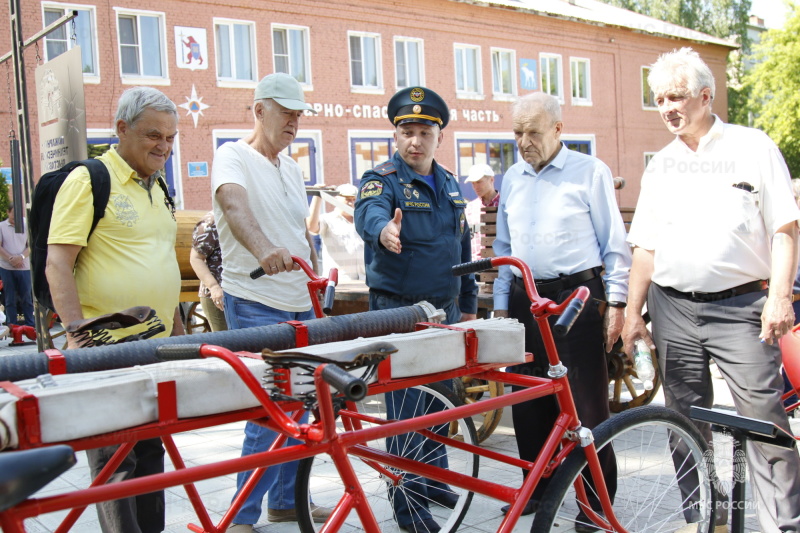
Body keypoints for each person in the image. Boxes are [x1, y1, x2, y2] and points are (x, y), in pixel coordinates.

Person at [621, 47, 800, 533]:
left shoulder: (752, 146)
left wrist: (780, 296)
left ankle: (784, 522)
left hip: (743, 306)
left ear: (705, 95)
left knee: (765, 420)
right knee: (683, 421)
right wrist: (633, 314)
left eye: (676, 96)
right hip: (672, 308)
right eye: (659, 99)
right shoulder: (661, 164)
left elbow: (785, 227)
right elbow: (645, 248)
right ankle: (704, 517)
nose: (667, 108)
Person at [46, 86, 184, 533]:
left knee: (151, 455)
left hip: (156, 350)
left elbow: (162, 263)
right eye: (152, 135)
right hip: (106, 350)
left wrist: (183, 337)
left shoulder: (159, 186)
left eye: (170, 137)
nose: (163, 146)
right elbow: (58, 262)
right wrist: (75, 333)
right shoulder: (89, 179)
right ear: (121, 129)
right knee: (115, 463)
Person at [493, 92, 631, 529]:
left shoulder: (589, 172)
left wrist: (619, 304)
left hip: (577, 298)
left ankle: (594, 505)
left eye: (533, 131)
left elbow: (614, 245)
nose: (524, 141)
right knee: (527, 400)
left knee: (587, 406)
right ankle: (534, 491)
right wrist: (500, 308)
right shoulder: (512, 177)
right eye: (517, 132)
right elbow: (503, 249)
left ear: (557, 129)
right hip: (523, 299)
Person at [354, 86, 478, 533]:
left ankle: (433, 479)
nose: (415, 140)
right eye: (407, 131)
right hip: (399, 313)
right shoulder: (382, 179)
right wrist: (382, 229)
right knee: (406, 411)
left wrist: (466, 306)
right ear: (396, 134)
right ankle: (408, 505)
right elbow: (369, 211)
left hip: (443, 311)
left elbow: (463, 249)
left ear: (438, 136)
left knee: (442, 401)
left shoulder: (449, 184)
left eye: (424, 131)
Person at [211, 72, 329, 533]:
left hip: (299, 298)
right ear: (260, 111)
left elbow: (300, 231)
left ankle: (283, 502)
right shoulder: (232, 156)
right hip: (257, 297)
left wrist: (317, 282)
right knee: (267, 410)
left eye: (299, 114)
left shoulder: (292, 167)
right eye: (287, 112)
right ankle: (241, 516)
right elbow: (235, 207)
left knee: (302, 406)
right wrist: (263, 250)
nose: (295, 122)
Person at [307, 183, 366, 281]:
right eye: (347, 199)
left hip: (365, 281)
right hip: (338, 282)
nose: (351, 203)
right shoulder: (328, 219)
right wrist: (317, 196)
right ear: (336, 199)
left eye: (354, 199)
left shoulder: (363, 220)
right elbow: (311, 227)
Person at [189, 211, 227, 332]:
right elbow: (195, 258)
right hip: (218, 296)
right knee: (226, 344)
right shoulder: (210, 224)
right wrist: (214, 287)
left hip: (242, 293)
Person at [0, 203, 34, 328]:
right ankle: (12, 325)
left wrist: (21, 257)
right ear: (8, 212)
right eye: (13, 213)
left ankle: (31, 325)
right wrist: (10, 259)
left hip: (24, 267)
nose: (16, 216)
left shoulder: (27, 225)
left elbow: (31, 245)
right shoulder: (1, 226)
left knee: (26, 297)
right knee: (10, 298)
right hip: (6, 267)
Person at [463, 163, 500, 261]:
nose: (475, 187)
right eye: (473, 183)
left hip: (501, 267)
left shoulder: (505, 206)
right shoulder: (469, 209)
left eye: (479, 182)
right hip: (475, 268)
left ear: (492, 179)